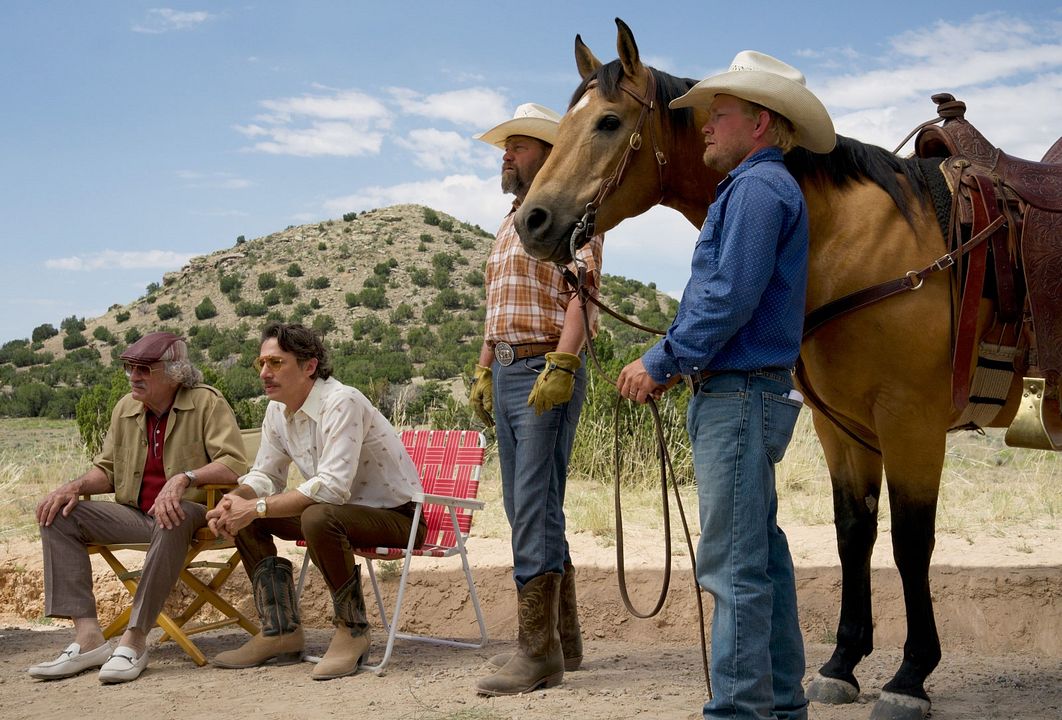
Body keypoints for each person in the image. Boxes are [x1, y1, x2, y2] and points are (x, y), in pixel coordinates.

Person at [616, 51, 836, 720]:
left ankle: (741, 710)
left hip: (737, 397)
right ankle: (779, 703)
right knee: (759, 559)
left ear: (761, 122)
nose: (707, 126)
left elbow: (728, 295)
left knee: (732, 566)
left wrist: (663, 360)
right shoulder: (764, 189)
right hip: (750, 395)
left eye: (721, 114)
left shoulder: (754, 191)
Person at [469, 103, 604, 696]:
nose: (506, 156)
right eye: (506, 147)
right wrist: (482, 369)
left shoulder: (574, 217)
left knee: (532, 503)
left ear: (549, 155)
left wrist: (566, 362)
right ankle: (564, 641)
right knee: (532, 500)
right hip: (507, 370)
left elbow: (583, 294)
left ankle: (537, 651)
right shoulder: (510, 222)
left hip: (545, 366)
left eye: (518, 147)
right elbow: (495, 304)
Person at [207, 322, 424, 681]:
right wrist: (237, 500)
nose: (264, 373)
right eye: (260, 363)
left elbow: (333, 488)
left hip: (397, 518)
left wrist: (257, 506)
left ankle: (352, 630)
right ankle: (280, 632)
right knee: (247, 517)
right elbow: (266, 475)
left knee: (319, 516)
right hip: (337, 513)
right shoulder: (277, 410)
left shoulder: (343, 401)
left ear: (309, 366)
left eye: (276, 363)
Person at [28, 332, 247, 684]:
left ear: (175, 372)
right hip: (135, 513)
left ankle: (136, 637)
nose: (134, 375)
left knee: (170, 515)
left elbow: (234, 464)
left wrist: (184, 478)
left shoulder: (207, 403)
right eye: (130, 367)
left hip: (193, 515)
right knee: (58, 515)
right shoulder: (125, 408)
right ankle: (88, 639)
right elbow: (108, 470)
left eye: (144, 368)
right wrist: (76, 486)